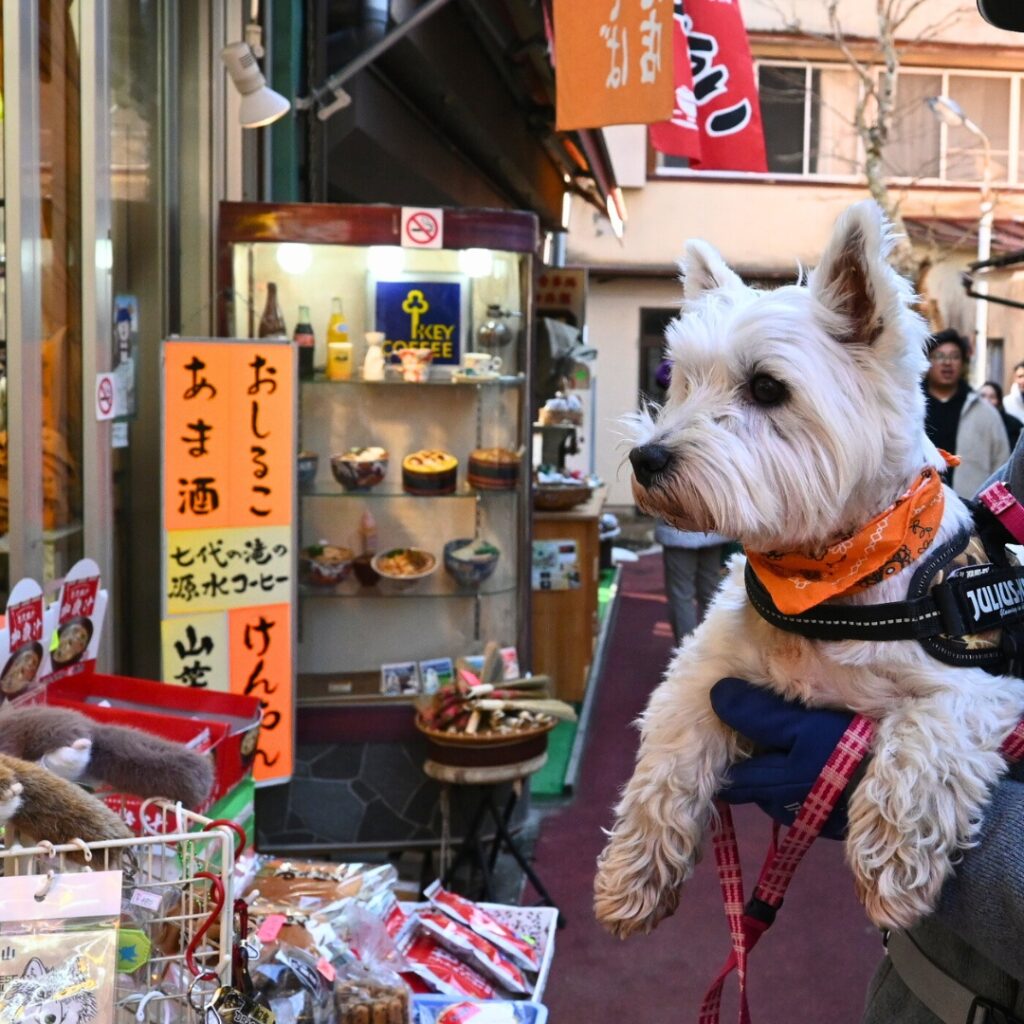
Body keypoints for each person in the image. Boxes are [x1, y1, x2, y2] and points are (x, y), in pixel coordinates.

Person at [923, 328, 1009, 499]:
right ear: (927, 361)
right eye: (939, 356)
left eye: (954, 356)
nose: (947, 362)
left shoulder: (985, 413)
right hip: (915, 512)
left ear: (963, 363)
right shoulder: (911, 409)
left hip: (972, 510)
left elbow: (1003, 466)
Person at [656, 522, 729, 644]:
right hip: (711, 527)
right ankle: (718, 647)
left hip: (678, 528)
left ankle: (688, 651)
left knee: (681, 595)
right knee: (711, 593)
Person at [979, 379, 1023, 451]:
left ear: (999, 402)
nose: (986, 400)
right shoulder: (970, 422)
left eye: (992, 397)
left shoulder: (1013, 425)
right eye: (983, 396)